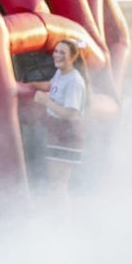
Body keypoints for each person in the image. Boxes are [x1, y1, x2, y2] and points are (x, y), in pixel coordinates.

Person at [32, 38, 89, 202]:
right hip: (57, 131)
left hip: (68, 134)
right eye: (56, 51)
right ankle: (57, 221)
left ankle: (63, 224)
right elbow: (50, 85)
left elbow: (71, 114)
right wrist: (25, 85)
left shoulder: (74, 81)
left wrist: (46, 101)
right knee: (54, 185)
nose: (57, 55)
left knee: (59, 186)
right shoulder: (60, 73)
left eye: (62, 52)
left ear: (72, 57)